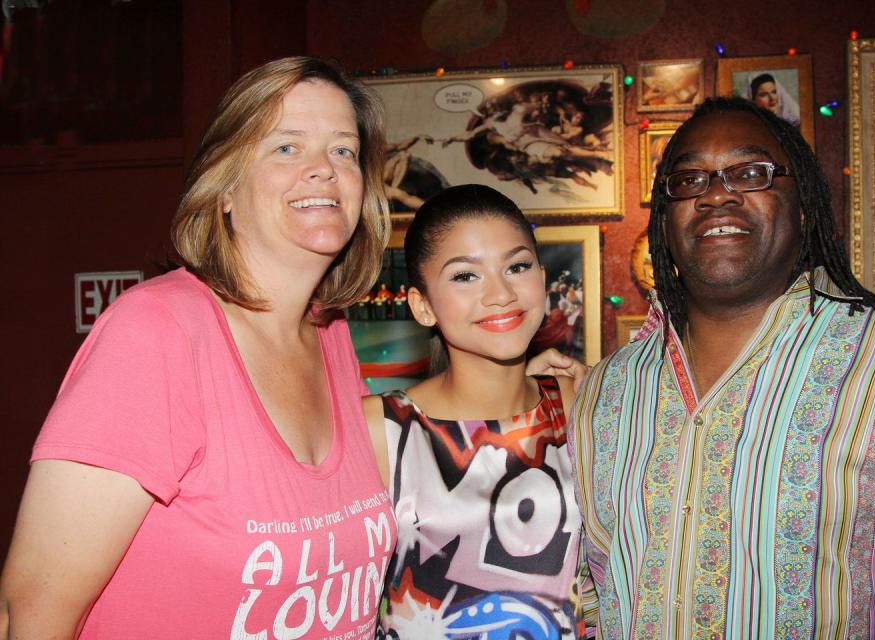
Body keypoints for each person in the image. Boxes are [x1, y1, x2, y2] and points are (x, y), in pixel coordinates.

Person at [0, 57, 582, 639]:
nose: (323, 171)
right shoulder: (158, 331)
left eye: (343, 151)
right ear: (224, 187)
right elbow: (31, 613)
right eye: (286, 147)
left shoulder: (329, 338)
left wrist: (515, 378)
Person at [570, 96, 875, 638]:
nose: (715, 194)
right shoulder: (605, 389)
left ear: (804, 205)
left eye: (750, 172)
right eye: (689, 181)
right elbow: (590, 600)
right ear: (666, 219)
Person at [363, 185, 595, 638]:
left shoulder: (576, 404)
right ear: (423, 305)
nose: (501, 293)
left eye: (517, 266)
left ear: (543, 278)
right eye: (466, 276)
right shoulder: (382, 428)